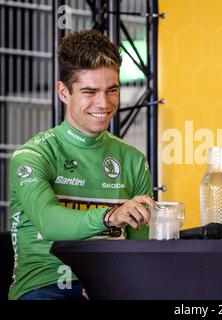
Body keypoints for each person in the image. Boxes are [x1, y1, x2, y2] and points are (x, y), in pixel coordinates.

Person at [8, 29, 155, 300]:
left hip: (110, 284)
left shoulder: (134, 160)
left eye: (112, 90)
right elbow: (48, 221)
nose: (104, 103)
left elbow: (140, 250)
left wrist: (110, 280)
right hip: (45, 286)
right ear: (64, 92)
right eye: (90, 91)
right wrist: (109, 216)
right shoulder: (32, 156)